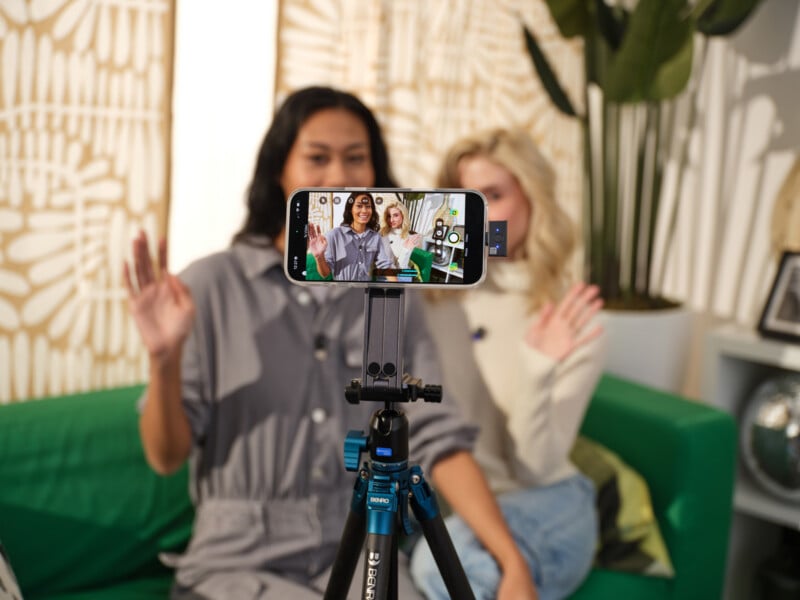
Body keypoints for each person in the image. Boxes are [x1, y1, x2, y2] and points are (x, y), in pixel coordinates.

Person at [123, 87, 537, 599]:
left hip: (360, 547)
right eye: (317, 158)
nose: (339, 176)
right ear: (279, 171)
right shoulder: (212, 285)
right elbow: (166, 456)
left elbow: (436, 435)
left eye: (356, 158)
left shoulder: (395, 288)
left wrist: (511, 560)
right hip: (236, 560)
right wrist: (163, 360)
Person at [410, 127, 607, 600]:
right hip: (455, 509)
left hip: (544, 501)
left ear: (532, 199)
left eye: (493, 196)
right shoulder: (430, 297)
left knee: (443, 567)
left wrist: (538, 366)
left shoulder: (569, 313)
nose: (476, 216)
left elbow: (535, 467)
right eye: (465, 199)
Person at [308, 191, 394, 281]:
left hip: (365, 287)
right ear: (350, 209)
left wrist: (398, 285)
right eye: (359, 206)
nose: (364, 211)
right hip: (342, 288)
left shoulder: (375, 237)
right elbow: (325, 274)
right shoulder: (334, 235)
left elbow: (385, 266)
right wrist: (319, 257)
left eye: (368, 206)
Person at [379, 199, 422, 269]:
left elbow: (403, 268)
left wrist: (406, 249)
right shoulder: (382, 233)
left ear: (403, 216)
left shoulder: (410, 238)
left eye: (395, 215)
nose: (391, 220)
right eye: (389, 216)